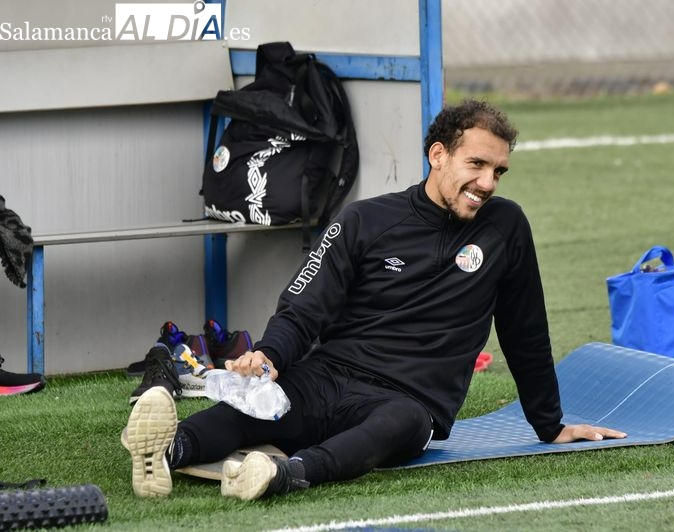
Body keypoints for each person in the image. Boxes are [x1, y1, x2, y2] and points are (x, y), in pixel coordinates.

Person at [123, 99, 627, 500]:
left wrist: (549, 424)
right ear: (438, 155)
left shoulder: (506, 227)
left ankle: (283, 474)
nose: (487, 184)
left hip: (410, 400)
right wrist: (272, 357)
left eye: (499, 171)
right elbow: (305, 303)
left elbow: (526, 329)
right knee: (256, 408)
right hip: (329, 375)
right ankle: (167, 451)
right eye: (477, 165)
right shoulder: (366, 220)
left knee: (399, 427)